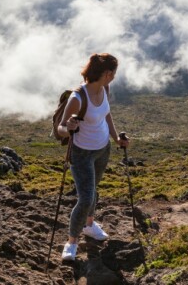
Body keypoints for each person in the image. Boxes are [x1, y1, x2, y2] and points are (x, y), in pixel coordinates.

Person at [57, 53, 129, 261]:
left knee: (93, 190)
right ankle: (71, 242)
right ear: (107, 73)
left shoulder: (104, 89)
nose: (114, 77)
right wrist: (68, 127)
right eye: (113, 73)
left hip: (102, 149)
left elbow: (106, 115)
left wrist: (116, 139)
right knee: (86, 197)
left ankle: (89, 225)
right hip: (81, 153)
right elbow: (61, 129)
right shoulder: (78, 97)